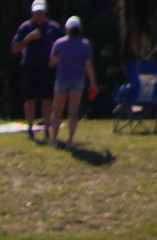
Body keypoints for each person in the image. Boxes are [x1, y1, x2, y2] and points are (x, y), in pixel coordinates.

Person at [11, 1, 63, 141]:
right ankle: (30, 128)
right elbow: (15, 47)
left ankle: (46, 129)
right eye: (36, 13)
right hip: (30, 66)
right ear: (32, 13)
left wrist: (56, 59)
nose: (38, 15)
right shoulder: (25, 27)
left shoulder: (53, 27)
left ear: (45, 13)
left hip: (47, 67)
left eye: (41, 12)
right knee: (30, 99)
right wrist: (28, 39)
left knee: (47, 99)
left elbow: (62, 45)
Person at [43, 15, 95, 148]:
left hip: (62, 79)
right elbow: (88, 65)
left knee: (57, 111)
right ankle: (70, 141)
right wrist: (93, 83)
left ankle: (53, 139)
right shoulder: (84, 45)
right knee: (73, 112)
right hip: (77, 80)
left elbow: (52, 61)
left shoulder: (59, 43)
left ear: (67, 29)